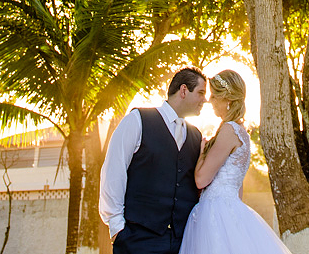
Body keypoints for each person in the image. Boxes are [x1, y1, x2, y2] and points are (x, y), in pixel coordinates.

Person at [177, 69, 293, 254]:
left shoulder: (229, 130)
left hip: (215, 213)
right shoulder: (242, 134)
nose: (210, 101)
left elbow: (201, 179)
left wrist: (201, 154)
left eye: (215, 96)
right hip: (232, 211)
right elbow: (238, 188)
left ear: (228, 100)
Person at [100, 67, 207, 254]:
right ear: (183, 90)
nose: (204, 100)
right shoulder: (137, 120)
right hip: (138, 239)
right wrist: (117, 228)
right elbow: (114, 171)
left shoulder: (196, 135)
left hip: (182, 241)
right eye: (200, 93)